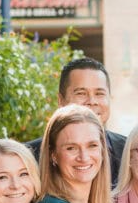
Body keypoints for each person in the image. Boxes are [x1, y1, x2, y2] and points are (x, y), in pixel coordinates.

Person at [28, 57, 127, 185]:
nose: (92, 101)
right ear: (61, 101)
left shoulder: (128, 151)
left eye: (99, 93)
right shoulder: (29, 157)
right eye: (81, 93)